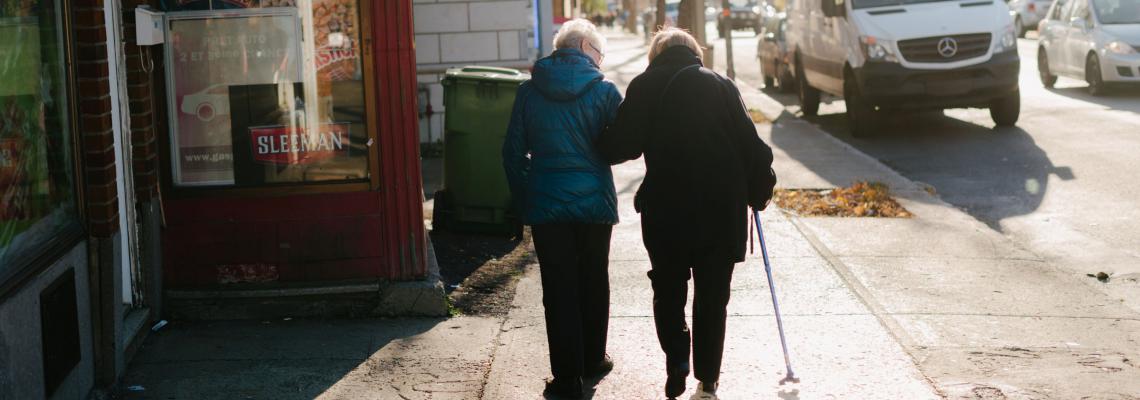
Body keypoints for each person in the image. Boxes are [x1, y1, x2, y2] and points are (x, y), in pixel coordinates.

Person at [598, 28, 777, 399]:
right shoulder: (721, 85)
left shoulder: (645, 85)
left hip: (667, 209)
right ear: (695, 51)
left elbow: (621, 147)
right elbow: (754, 148)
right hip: (720, 210)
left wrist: (595, 136)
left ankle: (678, 359)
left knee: (668, 289)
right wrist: (760, 193)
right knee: (713, 297)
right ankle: (708, 380)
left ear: (656, 53)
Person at [502, 18, 622, 399]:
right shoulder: (605, 91)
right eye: (599, 54)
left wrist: (529, 199)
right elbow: (621, 145)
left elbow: (512, 154)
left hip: (547, 202)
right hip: (595, 204)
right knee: (593, 278)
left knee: (558, 286)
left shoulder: (529, 91)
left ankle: (567, 376)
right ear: (586, 47)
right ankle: (593, 360)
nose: (601, 62)